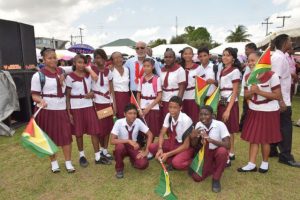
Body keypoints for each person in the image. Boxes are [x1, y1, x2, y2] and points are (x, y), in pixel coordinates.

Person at [31, 48, 75, 173]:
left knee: (66, 136)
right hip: (46, 110)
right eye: (50, 58)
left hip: (61, 108)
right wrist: (41, 100)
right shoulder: (38, 75)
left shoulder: (61, 71)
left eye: (54, 57)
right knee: (49, 137)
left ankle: (68, 162)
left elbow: (76, 67)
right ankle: (54, 162)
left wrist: (63, 79)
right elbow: (34, 95)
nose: (53, 60)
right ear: (44, 60)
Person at [238, 51, 282, 173]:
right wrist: (251, 94)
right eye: (248, 60)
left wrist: (258, 91)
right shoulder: (248, 77)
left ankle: (265, 162)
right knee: (254, 138)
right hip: (254, 110)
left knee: (265, 139)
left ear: (261, 61)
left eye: (253, 60)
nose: (250, 63)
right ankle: (251, 163)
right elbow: (245, 95)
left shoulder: (272, 75)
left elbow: (277, 95)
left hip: (269, 110)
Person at [66, 54, 104, 167]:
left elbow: (96, 78)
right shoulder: (70, 77)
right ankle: (82, 156)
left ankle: (97, 156)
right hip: (75, 107)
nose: (81, 65)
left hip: (88, 106)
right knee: (78, 133)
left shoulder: (88, 75)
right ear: (74, 63)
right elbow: (67, 97)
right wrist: (69, 112)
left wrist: (92, 93)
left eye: (83, 62)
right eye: (79, 62)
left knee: (94, 131)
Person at [270, 34, 300, 167]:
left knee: (277, 125)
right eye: (290, 40)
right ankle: (286, 156)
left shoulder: (281, 56)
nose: (291, 42)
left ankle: (272, 149)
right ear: (284, 42)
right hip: (282, 99)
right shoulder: (278, 58)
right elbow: (275, 80)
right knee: (286, 128)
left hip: (282, 98)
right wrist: (281, 101)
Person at [190, 105, 230, 193]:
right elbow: (193, 145)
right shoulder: (198, 124)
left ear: (212, 115)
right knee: (197, 178)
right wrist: (193, 137)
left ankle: (216, 178)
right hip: (205, 153)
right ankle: (213, 167)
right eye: (201, 114)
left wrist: (211, 140)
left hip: (217, 151)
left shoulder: (220, 125)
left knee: (222, 151)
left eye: (206, 114)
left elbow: (227, 145)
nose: (203, 117)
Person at [149, 96, 194, 170]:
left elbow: (186, 145)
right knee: (152, 147)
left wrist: (167, 154)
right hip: (172, 142)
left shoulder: (186, 120)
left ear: (180, 108)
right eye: (170, 107)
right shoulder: (168, 115)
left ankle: (192, 161)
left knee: (177, 163)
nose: (172, 110)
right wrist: (160, 148)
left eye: (175, 107)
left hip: (184, 146)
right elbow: (162, 134)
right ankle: (172, 158)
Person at [111, 104, 154, 179]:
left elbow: (150, 134)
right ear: (124, 114)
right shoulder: (118, 122)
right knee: (119, 148)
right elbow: (112, 141)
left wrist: (146, 151)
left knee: (143, 164)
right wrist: (128, 141)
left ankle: (133, 160)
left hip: (133, 146)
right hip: (122, 145)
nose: (133, 115)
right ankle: (119, 169)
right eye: (130, 113)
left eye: (134, 113)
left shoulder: (138, 121)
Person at [217, 47, 241, 166]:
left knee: (230, 129)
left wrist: (228, 109)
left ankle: (230, 152)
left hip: (230, 103)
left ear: (233, 58)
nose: (225, 57)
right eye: (223, 55)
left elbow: (235, 91)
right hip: (221, 102)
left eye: (228, 55)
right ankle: (227, 151)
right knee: (223, 128)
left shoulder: (235, 71)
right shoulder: (222, 69)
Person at [91, 49, 116, 161]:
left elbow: (111, 89)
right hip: (96, 103)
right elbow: (70, 69)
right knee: (99, 129)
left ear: (105, 59)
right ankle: (100, 150)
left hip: (107, 102)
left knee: (107, 128)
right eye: (96, 57)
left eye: (101, 57)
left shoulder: (109, 72)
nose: (99, 60)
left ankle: (105, 150)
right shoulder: (91, 70)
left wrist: (114, 104)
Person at [137, 58, 162, 138]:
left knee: (153, 129)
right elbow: (138, 94)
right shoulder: (140, 79)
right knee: (144, 127)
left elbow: (159, 96)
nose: (146, 68)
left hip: (153, 107)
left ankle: (150, 147)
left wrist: (149, 108)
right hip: (142, 106)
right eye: (144, 66)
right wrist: (139, 108)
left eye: (148, 66)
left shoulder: (157, 79)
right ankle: (145, 145)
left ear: (153, 67)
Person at [160, 49, 186, 118]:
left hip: (174, 99)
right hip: (164, 99)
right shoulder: (162, 70)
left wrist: (177, 102)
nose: (168, 59)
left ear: (174, 58)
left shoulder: (180, 70)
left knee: (174, 119)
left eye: (170, 57)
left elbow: (182, 88)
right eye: (166, 57)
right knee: (165, 119)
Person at [181, 47, 204, 124]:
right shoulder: (180, 68)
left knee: (194, 118)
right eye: (185, 53)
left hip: (193, 96)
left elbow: (202, 84)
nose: (187, 55)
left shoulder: (198, 68)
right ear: (183, 55)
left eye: (190, 53)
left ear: (193, 55)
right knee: (183, 119)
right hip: (182, 96)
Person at [239, 43, 258, 131]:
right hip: (246, 89)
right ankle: (244, 126)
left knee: (249, 109)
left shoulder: (257, 63)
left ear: (252, 49)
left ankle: (245, 126)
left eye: (247, 49)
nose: (245, 51)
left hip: (253, 90)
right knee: (246, 109)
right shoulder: (248, 62)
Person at [111, 52, 130, 119]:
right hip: (116, 97)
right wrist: (114, 104)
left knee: (128, 116)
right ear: (112, 60)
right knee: (119, 117)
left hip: (127, 96)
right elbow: (111, 88)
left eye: (120, 57)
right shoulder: (111, 70)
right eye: (115, 58)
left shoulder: (127, 69)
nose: (118, 59)